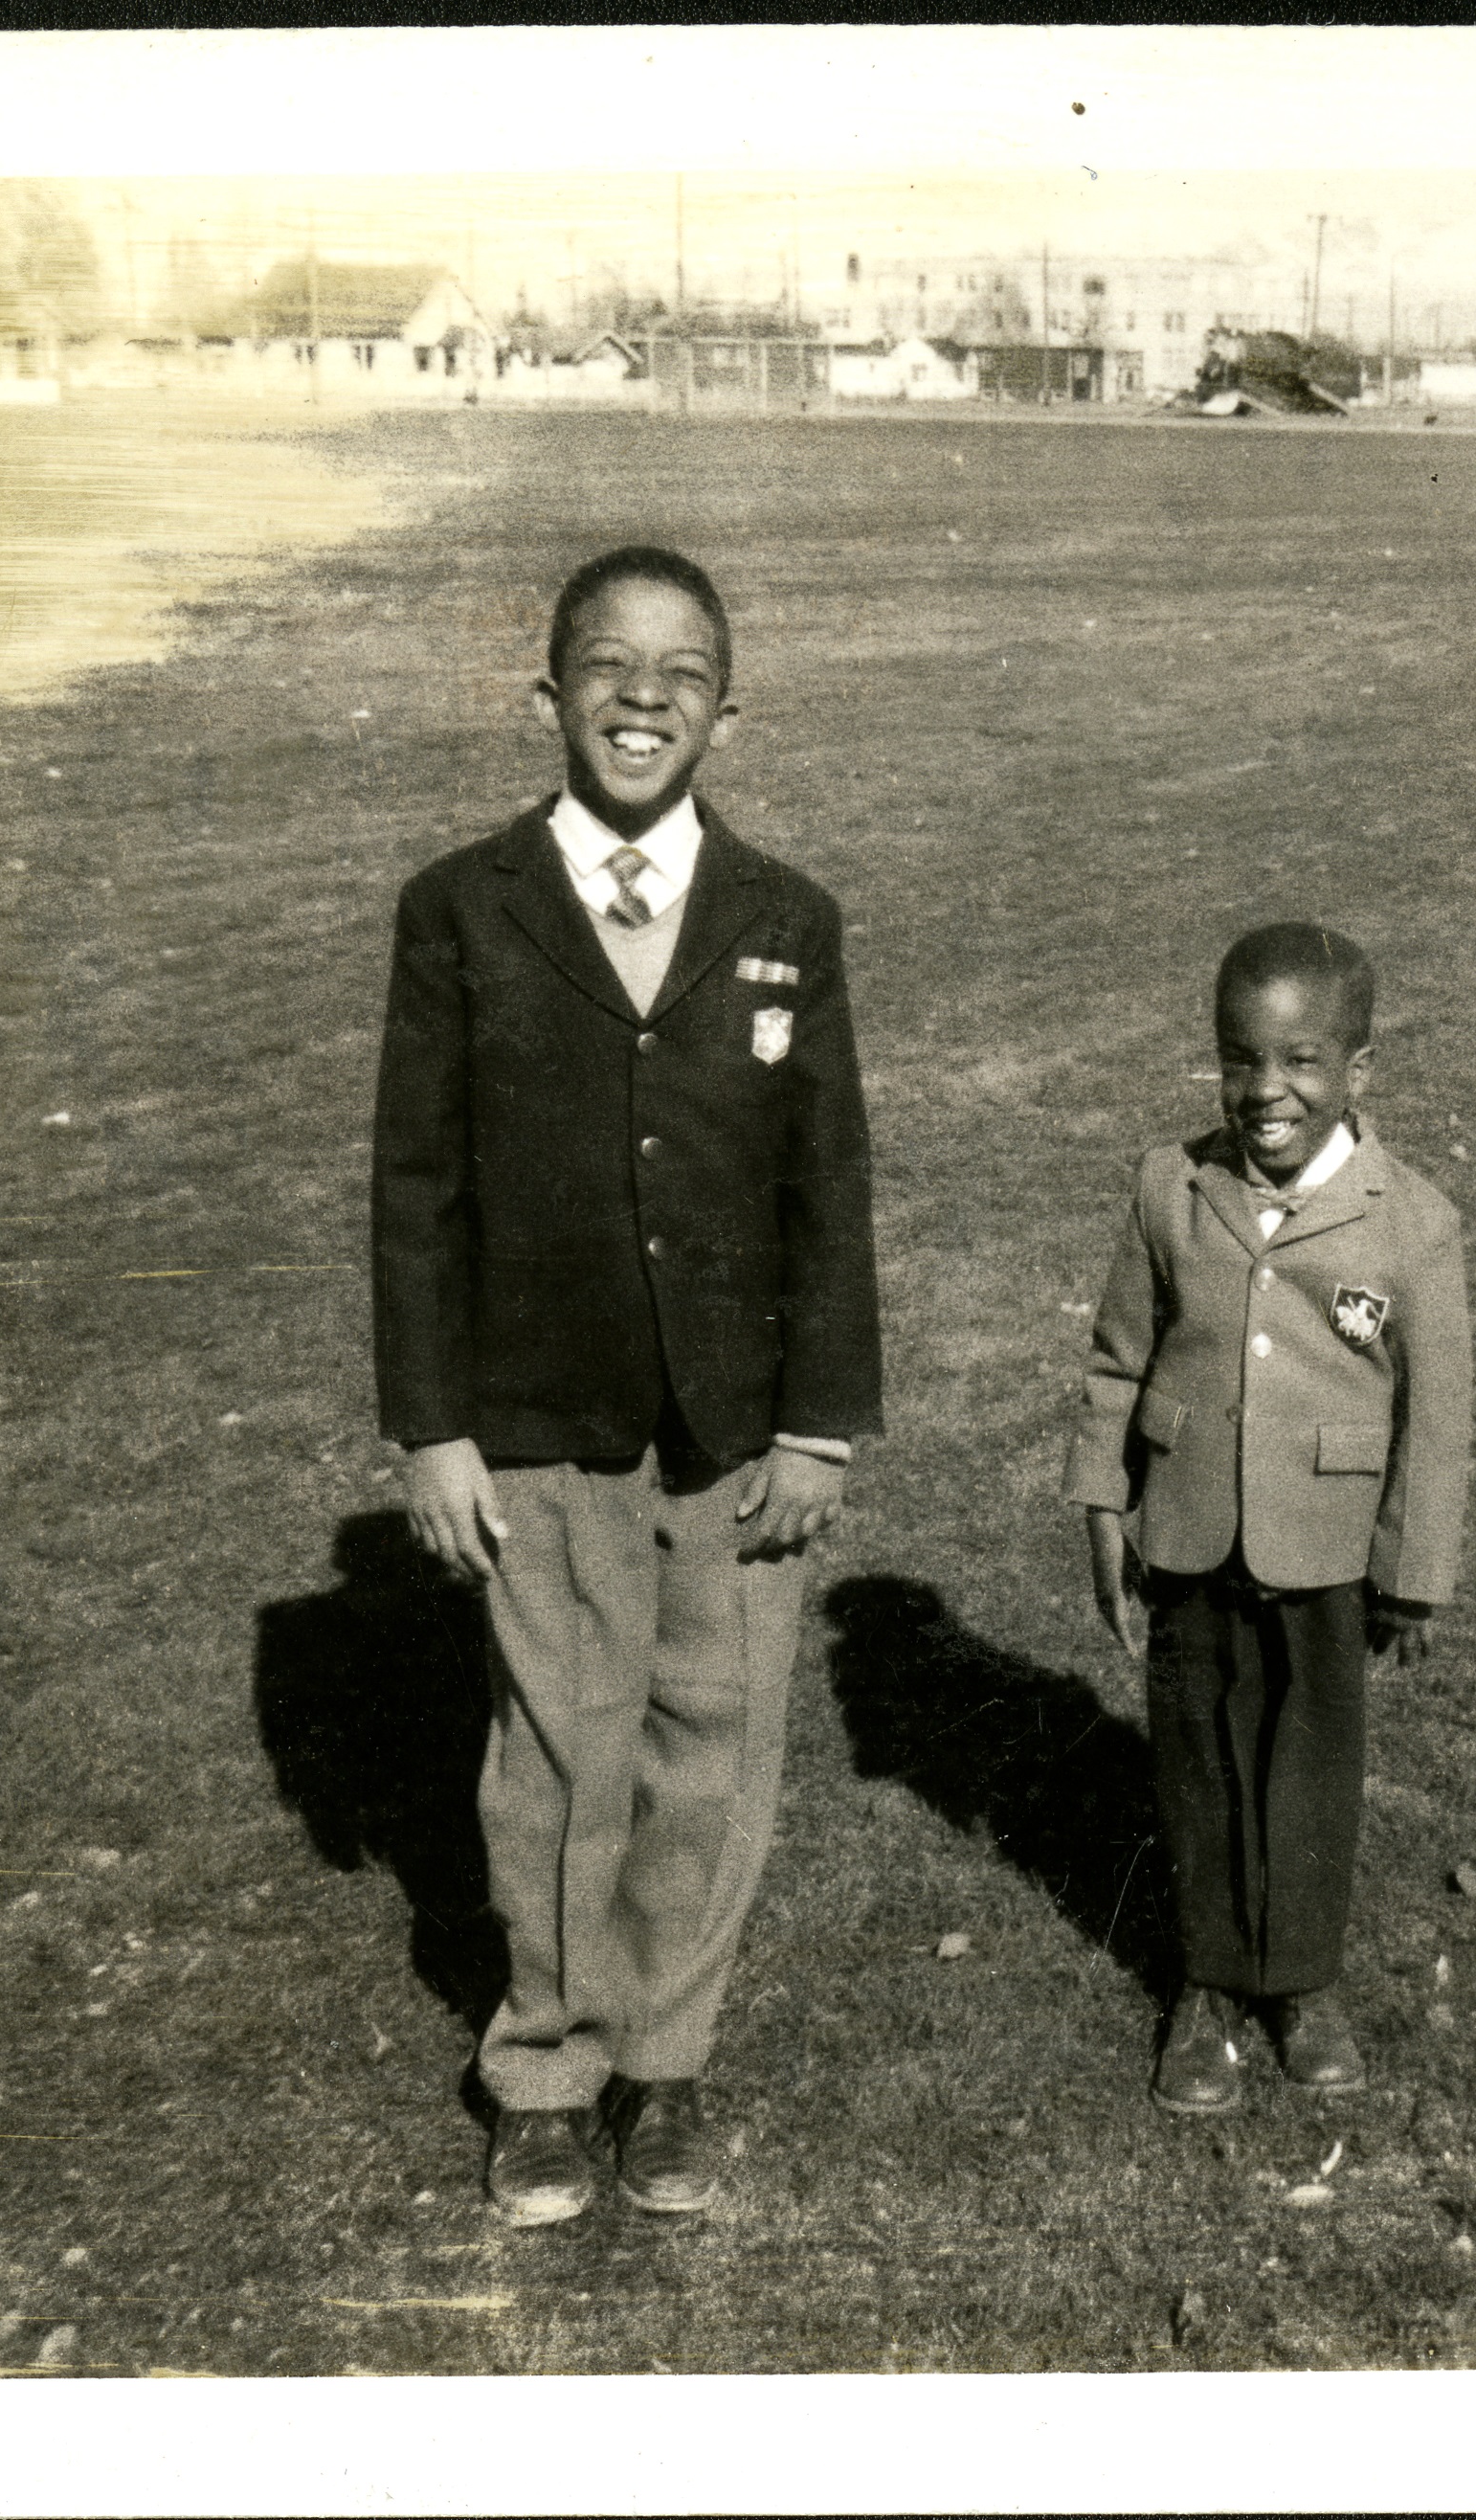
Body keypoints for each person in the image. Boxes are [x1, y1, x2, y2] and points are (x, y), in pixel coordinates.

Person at [371, 545, 883, 2225]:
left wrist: (816, 1419)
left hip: (736, 1432)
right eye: (606, 664)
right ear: (546, 697)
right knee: (559, 1747)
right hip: (536, 1416)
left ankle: (663, 2066)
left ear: (729, 710)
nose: (641, 695)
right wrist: (434, 1424)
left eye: (680, 670)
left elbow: (827, 1185)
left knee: (713, 1744)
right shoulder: (462, 906)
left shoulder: (786, 919)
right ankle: (545, 2070)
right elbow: (417, 1185)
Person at [1064, 923, 1472, 2112]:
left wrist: (1414, 1567)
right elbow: (1114, 1360)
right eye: (1239, 1060)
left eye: (1299, 1060)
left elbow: (1436, 1419)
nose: (1264, 1091)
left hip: (1328, 1549)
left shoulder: (1412, 1222)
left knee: (1308, 1763)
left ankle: (1296, 1983)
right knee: (1195, 1751)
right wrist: (1101, 1493)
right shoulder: (1168, 1186)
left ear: (1358, 1067)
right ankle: (1203, 1981)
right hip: (1187, 1528)